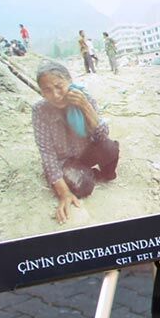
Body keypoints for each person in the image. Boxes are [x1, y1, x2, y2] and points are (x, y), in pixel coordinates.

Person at [31, 61, 119, 223]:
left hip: (86, 152)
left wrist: (85, 106)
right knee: (83, 187)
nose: (56, 95)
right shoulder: (39, 110)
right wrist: (64, 193)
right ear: (42, 92)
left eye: (59, 86)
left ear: (70, 82)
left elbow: (102, 135)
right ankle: (88, 174)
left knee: (109, 147)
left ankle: (105, 175)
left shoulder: (85, 98)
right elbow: (47, 153)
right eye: (47, 90)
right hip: (65, 162)